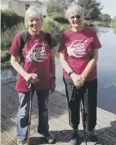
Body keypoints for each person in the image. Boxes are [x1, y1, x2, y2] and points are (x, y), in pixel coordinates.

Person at [9, 6, 57, 145]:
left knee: (44, 109)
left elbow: (53, 60)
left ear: (42, 21)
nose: (34, 23)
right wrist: (25, 74)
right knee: (24, 111)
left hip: (44, 81)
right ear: (26, 22)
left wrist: (53, 79)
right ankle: (22, 137)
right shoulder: (21, 37)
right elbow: (13, 61)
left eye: (37, 20)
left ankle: (44, 131)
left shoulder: (48, 37)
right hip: (25, 81)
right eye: (31, 20)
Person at [58, 4, 101, 145]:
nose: (75, 19)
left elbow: (95, 57)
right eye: (72, 17)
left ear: (83, 17)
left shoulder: (91, 32)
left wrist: (82, 76)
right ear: (69, 20)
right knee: (74, 106)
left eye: (78, 16)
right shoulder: (65, 34)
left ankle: (90, 133)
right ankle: (75, 132)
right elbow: (62, 58)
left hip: (89, 78)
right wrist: (73, 75)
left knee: (90, 106)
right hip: (70, 78)